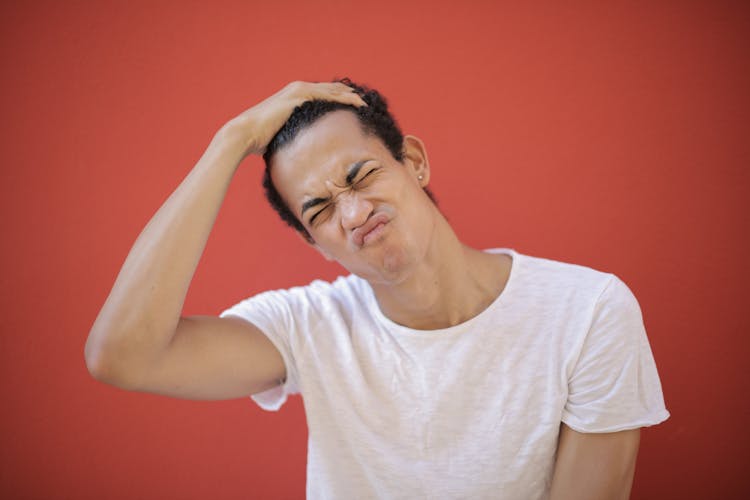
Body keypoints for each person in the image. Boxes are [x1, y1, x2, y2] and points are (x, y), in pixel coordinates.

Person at [85, 79, 669, 499]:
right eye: (319, 210)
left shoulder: (588, 312)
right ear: (315, 244)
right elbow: (122, 356)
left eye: (361, 175)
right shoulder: (309, 326)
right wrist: (230, 142)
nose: (355, 211)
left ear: (413, 161)